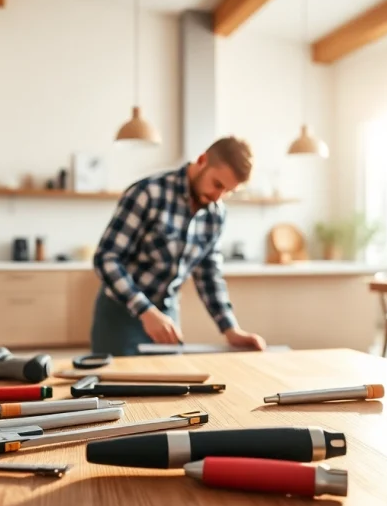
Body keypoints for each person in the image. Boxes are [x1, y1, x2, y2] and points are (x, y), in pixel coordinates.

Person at [90, 136, 267, 357]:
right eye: (217, 184)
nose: (217, 196)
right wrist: (145, 311)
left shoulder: (216, 214)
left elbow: (209, 275)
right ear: (202, 160)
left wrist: (230, 329)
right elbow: (106, 258)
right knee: (117, 389)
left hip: (167, 316)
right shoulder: (148, 194)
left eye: (228, 191)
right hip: (121, 316)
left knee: (172, 388)